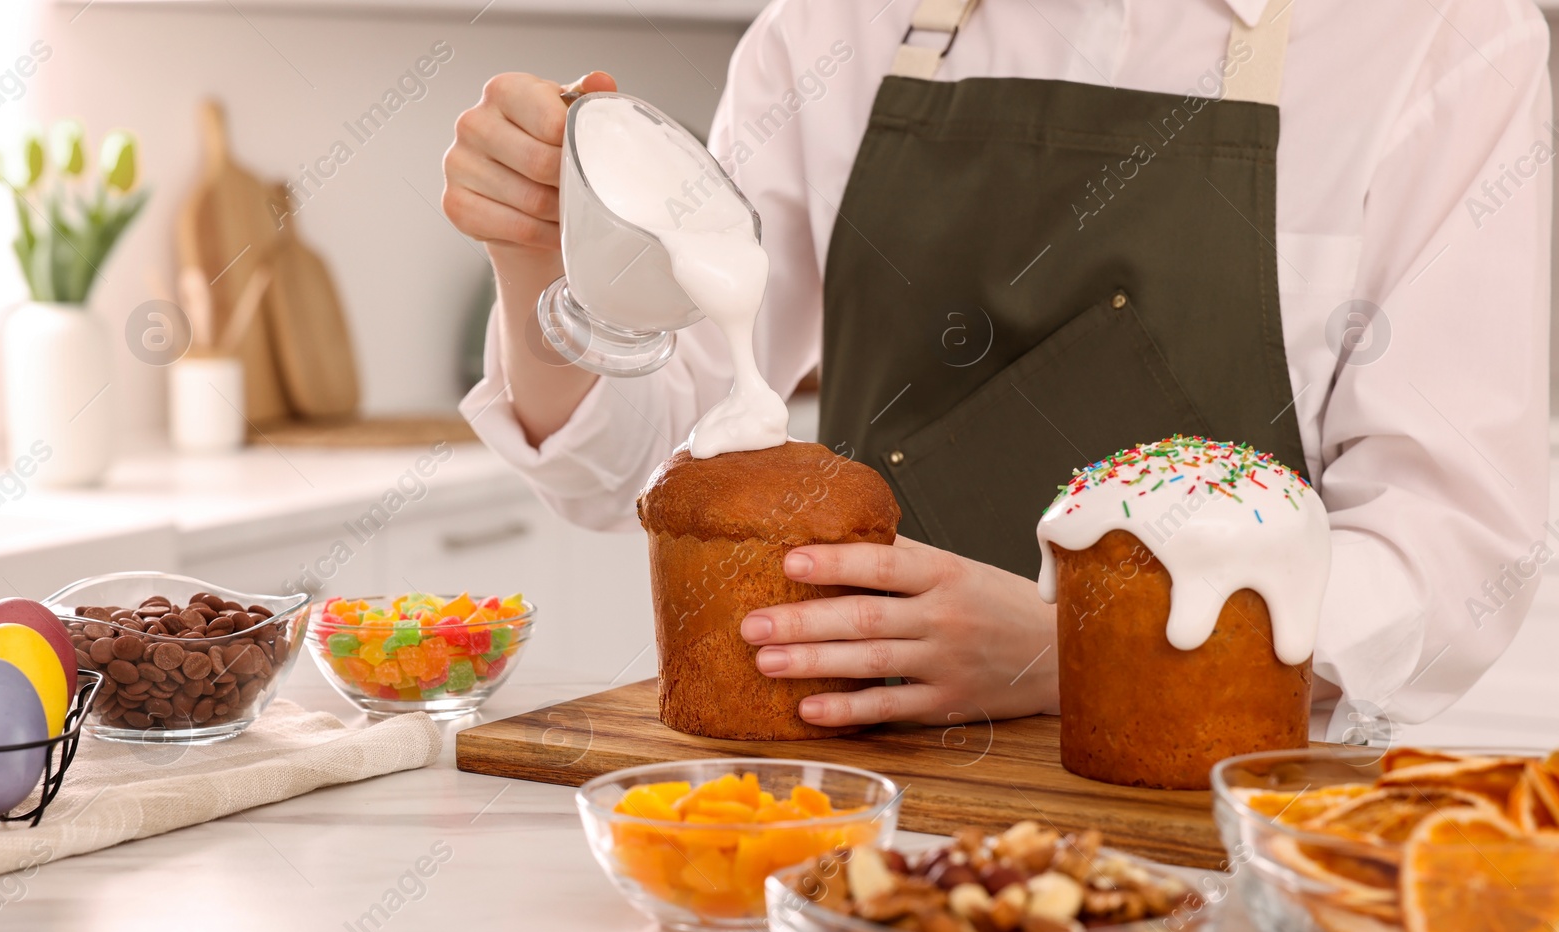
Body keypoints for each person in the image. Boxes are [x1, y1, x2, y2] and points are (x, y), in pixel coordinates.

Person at [444, 0, 1552, 739]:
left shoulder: (1443, 41)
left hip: (1220, 810)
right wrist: (546, 251)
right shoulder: (836, 27)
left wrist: (1081, 653)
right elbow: (639, 462)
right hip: (859, 807)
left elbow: (1452, 550)